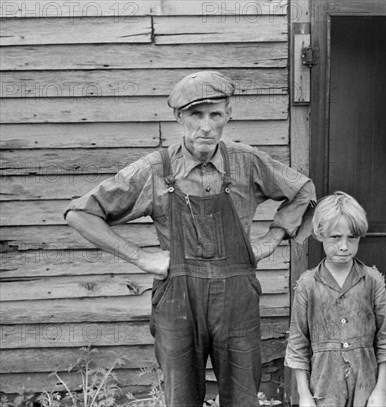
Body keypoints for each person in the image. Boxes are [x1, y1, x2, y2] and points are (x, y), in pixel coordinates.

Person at [64, 71, 316, 407]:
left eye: (215, 114)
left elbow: (303, 190)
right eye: (196, 114)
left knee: (243, 398)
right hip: (178, 300)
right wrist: (141, 258)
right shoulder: (154, 169)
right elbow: (80, 213)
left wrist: (274, 236)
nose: (206, 127)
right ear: (179, 117)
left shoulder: (246, 161)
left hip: (236, 299)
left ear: (229, 114)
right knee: (181, 398)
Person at [285, 191, 386, 407]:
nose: (344, 246)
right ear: (319, 234)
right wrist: (304, 396)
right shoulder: (307, 284)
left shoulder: (372, 280)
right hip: (323, 390)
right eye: (335, 237)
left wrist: (381, 390)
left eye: (352, 238)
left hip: (365, 389)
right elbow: (297, 343)